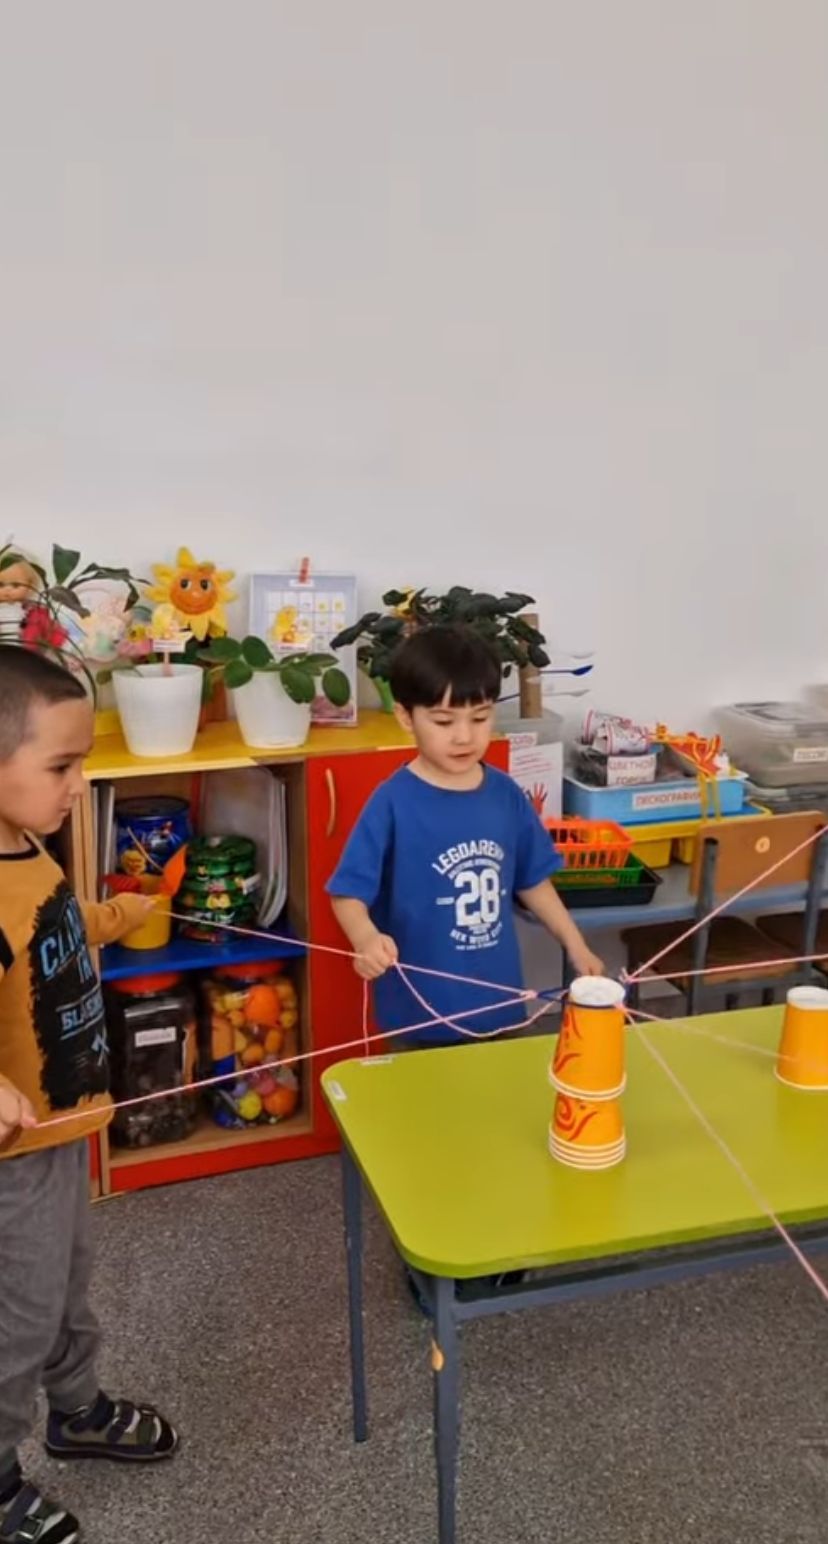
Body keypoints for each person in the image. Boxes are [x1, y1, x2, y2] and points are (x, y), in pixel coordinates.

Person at [0, 647, 178, 1544]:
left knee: (68, 1285)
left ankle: (75, 1409)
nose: (79, 786)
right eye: (61, 766)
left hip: (63, 1129)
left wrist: (117, 917)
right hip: (14, 1158)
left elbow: (55, 931)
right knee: (19, 1314)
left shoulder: (28, 844)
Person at [328, 624, 603, 1047]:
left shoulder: (505, 794)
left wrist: (576, 945)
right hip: (421, 1014)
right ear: (406, 717)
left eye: (480, 718)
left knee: (499, 1088)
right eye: (443, 721)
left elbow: (533, 881)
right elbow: (347, 893)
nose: (464, 736)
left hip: (499, 1003)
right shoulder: (392, 802)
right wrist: (365, 938)